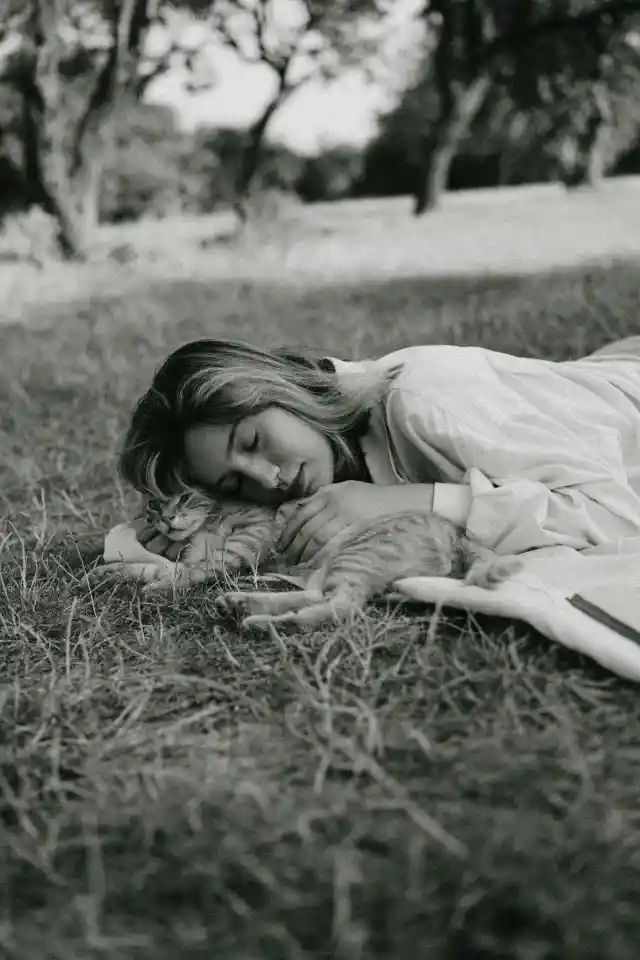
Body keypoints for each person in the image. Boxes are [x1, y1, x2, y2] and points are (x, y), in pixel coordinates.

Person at [109, 334, 640, 578]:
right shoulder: (329, 463)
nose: (268, 480)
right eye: (233, 484)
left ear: (282, 390)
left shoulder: (424, 401)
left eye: (251, 442)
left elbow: (615, 514)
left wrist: (413, 501)